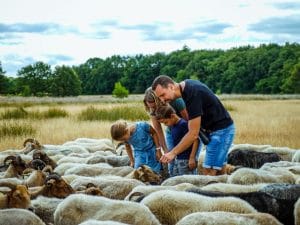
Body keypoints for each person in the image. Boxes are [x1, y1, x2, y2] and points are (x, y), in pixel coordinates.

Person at [152, 75, 235, 176]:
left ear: (171, 87)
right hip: (217, 131)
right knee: (219, 169)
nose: (162, 100)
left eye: (163, 95)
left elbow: (193, 134)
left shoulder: (192, 94)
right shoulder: (186, 88)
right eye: (159, 97)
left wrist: (172, 153)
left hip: (220, 132)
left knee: (209, 172)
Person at [143, 87, 190, 177]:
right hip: (171, 130)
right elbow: (158, 130)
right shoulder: (152, 110)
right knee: (171, 161)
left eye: (155, 107)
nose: (153, 109)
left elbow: (187, 120)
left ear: (160, 100)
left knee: (185, 159)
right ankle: (172, 179)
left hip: (184, 128)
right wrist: (165, 150)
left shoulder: (176, 101)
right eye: (151, 107)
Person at [155, 104, 198, 175]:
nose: (165, 125)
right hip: (178, 159)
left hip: (186, 160)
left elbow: (195, 139)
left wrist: (192, 157)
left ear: (172, 116)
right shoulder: (172, 126)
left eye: (166, 122)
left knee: (187, 181)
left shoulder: (183, 124)